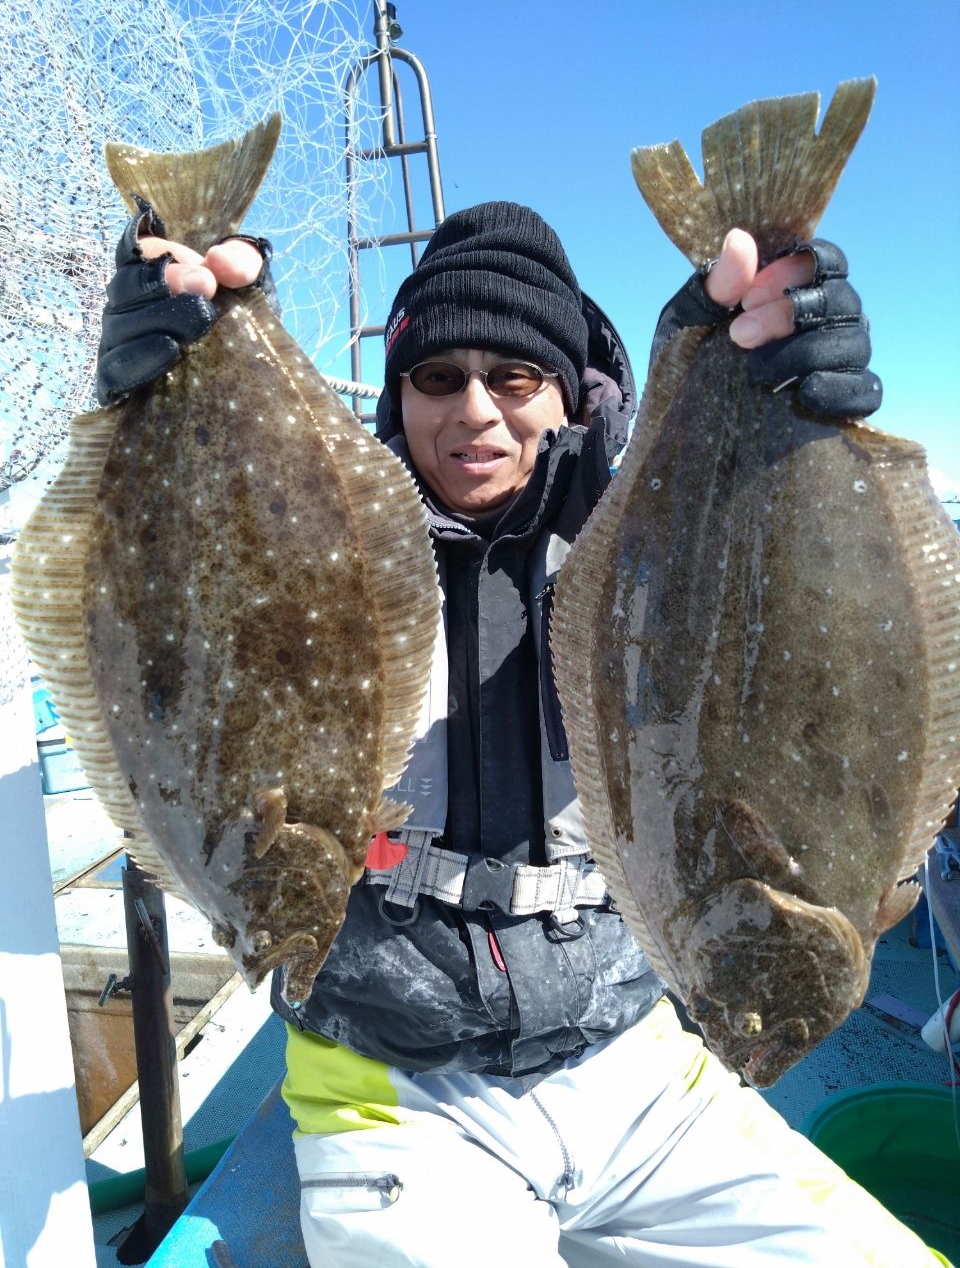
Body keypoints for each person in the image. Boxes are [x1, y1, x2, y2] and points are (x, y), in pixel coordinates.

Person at [97, 200, 948, 1268]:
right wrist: (151, 400)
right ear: (396, 391)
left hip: (640, 1063)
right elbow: (155, 637)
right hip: (389, 1087)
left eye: (514, 379)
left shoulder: (644, 528)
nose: (476, 415)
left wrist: (749, 352)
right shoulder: (315, 533)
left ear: (565, 390)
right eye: (437, 377)